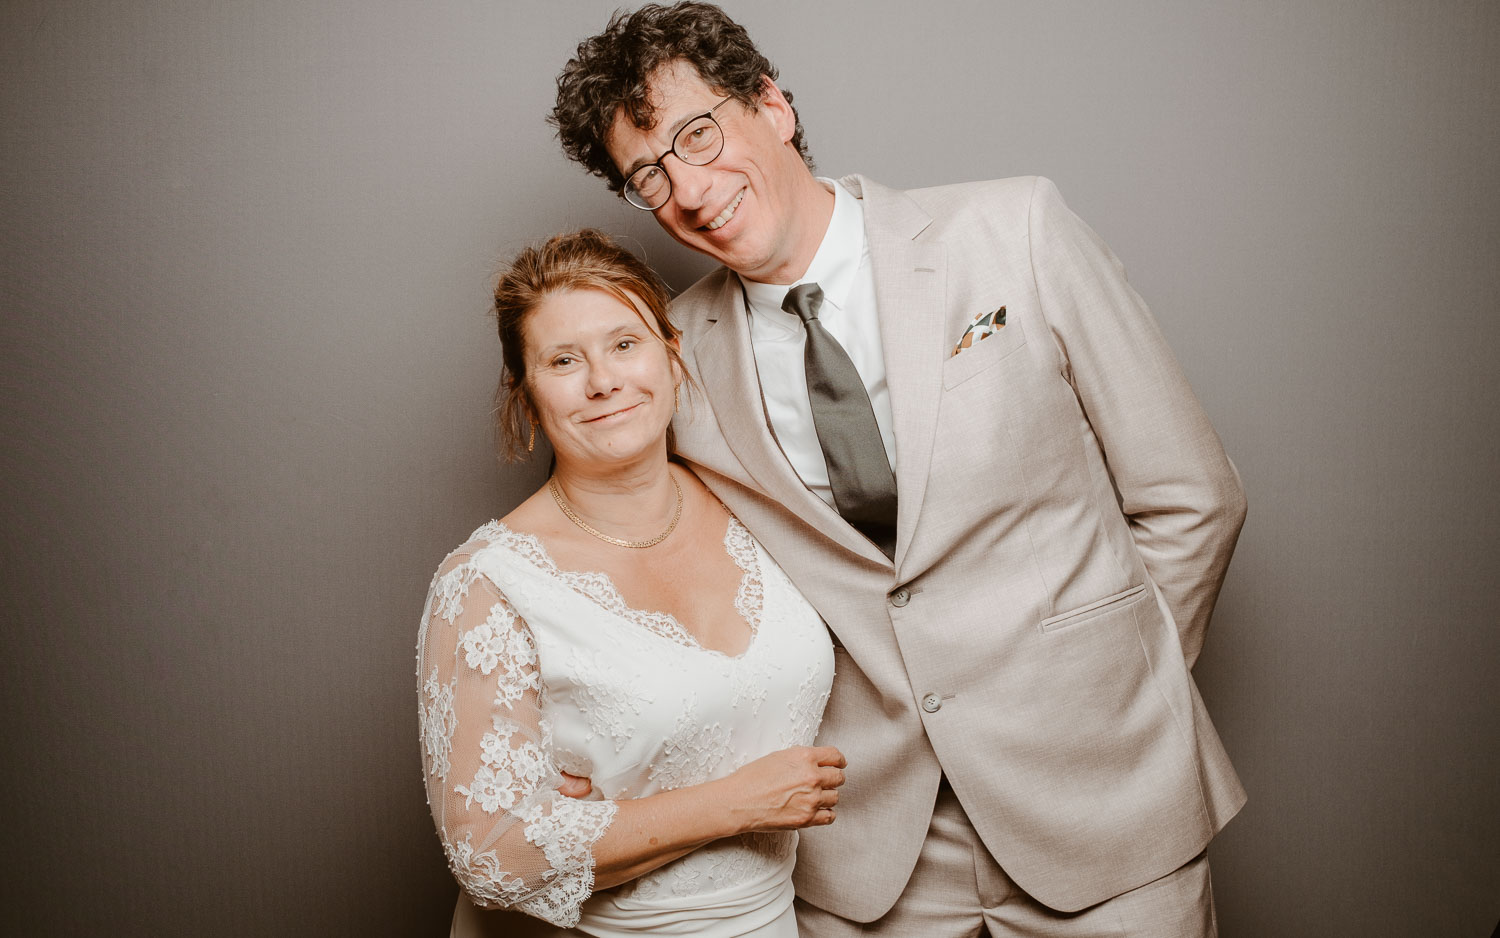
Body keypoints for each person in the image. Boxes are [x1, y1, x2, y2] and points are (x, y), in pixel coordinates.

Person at [548, 4, 1248, 937]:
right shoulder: (673, 358)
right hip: (872, 854)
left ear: (772, 105)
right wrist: (582, 733)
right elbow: (631, 550)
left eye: (699, 133)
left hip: (1107, 803)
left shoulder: (1015, 230)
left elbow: (1191, 496)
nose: (687, 185)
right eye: (648, 172)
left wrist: (1122, 693)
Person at [416, 228, 846, 937]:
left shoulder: (760, 500)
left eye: (624, 343)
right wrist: (736, 803)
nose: (603, 381)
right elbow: (488, 857)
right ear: (526, 397)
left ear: (672, 359)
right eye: (563, 360)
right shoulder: (488, 583)